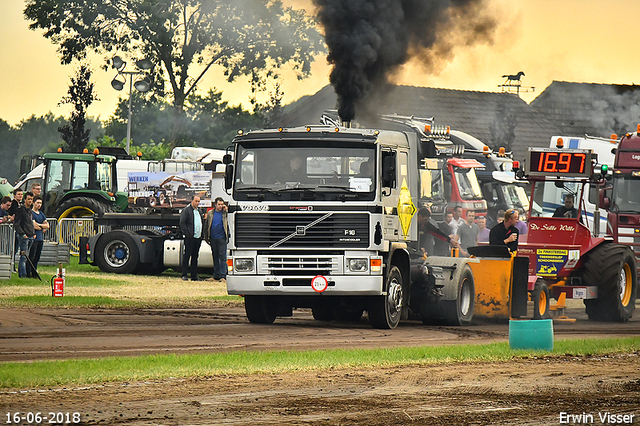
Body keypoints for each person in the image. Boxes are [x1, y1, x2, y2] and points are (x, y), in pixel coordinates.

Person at [204, 197, 229, 282]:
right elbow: (207, 225)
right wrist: (206, 236)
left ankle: (223, 276)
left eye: (222, 204)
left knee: (223, 257)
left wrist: (226, 209)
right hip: (213, 238)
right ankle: (216, 275)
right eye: (219, 204)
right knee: (215, 256)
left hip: (222, 238)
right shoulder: (211, 213)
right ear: (215, 205)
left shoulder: (224, 213)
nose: (220, 206)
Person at [179, 195, 203, 281]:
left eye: (198, 201)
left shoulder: (199, 211)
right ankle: (184, 274)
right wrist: (188, 234)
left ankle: (194, 275)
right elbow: (182, 223)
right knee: (187, 255)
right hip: (190, 237)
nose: (197, 203)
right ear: (192, 200)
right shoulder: (186, 210)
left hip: (197, 237)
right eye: (196, 201)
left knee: (195, 256)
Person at [13, 191, 35, 278]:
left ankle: (26, 272)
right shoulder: (21, 209)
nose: (30, 201)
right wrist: (22, 234)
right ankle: (22, 274)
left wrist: (33, 233)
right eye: (28, 199)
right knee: (23, 255)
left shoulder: (30, 210)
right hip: (24, 235)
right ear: (25, 199)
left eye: (31, 199)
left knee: (27, 255)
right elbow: (16, 223)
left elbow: (30, 223)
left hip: (30, 235)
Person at [27, 196, 49, 278]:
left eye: (40, 203)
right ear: (33, 203)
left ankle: (34, 272)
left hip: (40, 238)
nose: (39, 205)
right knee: (31, 256)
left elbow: (47, 225)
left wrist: (40, 225)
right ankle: (28, 272)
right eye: (38, 203)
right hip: (34, 238)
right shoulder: (31, 213)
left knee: (37, 256)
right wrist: (41, 226)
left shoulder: (41, 214)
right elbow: (34, 226)